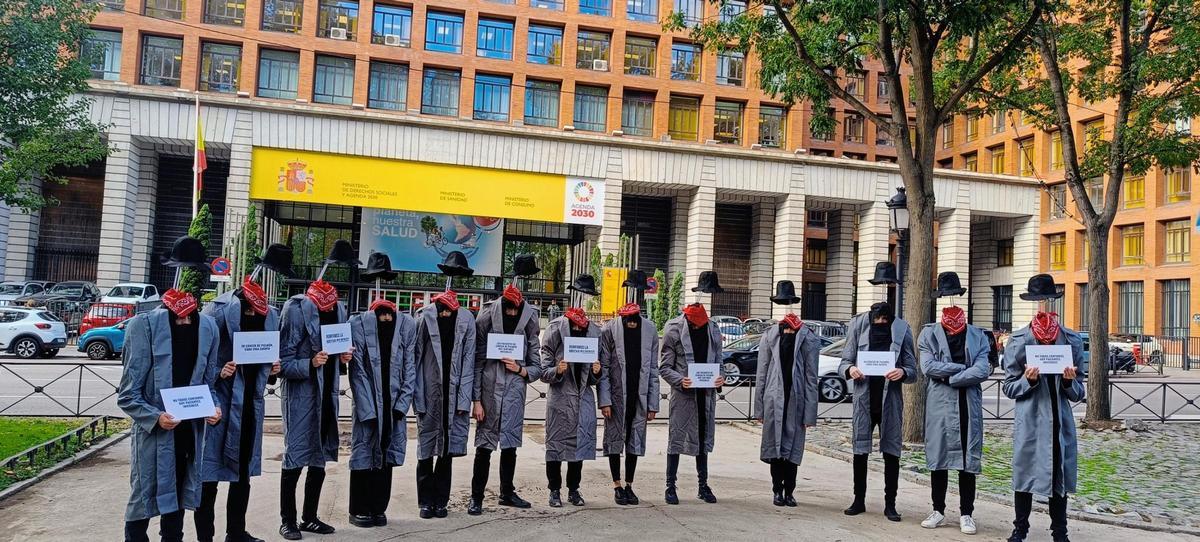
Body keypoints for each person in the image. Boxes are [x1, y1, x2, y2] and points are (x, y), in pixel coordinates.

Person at [118, 236, 222, 542]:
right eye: (187, 269)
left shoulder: (207, 327)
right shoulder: (144, 326)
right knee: (142, 502)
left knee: (177, 502)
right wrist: (155, 417)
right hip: (154, 435)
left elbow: (208, 383)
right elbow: (127, 395)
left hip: (189, 434)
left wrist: (214, 407)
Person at [195, 244, 293, 542]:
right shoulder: (219, 309)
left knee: (243, 474)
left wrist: (272, 369)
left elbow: (270, 354)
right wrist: (218, 372)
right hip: (220, 405)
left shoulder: (271, 313)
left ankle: (236, 532)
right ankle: (205, 537)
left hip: (251, 402)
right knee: (210, 475)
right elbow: (198, 361)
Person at [276, 240, 358, 540]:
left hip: (327, 395)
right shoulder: (296, 308)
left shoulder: (338, 306)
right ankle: (288, 520)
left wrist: (344, 357)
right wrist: (309, 363)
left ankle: (310, 517)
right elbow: (282, 362)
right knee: (295, 457)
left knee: (319, 458)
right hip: (301, 395)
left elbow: (338, 349)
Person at [1002, 274, 1085, 542]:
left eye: (1047, 300)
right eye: (1038, 300)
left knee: (1059, 475)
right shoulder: (1018, 340)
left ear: (1054, 301)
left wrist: (1069, 383)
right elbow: (1009, 387)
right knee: (1024, 474)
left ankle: (1060, 531)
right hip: (1030, 419)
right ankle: (1020, 529)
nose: (1043, 306)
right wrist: (1028, 380)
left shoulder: (1071, 340)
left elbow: (1079, 392)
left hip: (1060, 420)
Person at [838, 261, 917, 522]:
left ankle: (890, 504)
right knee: (860, 451)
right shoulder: (858, 324)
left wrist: (902, 372)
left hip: (890, 400)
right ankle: (858, 499)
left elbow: (912, 368)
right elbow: (845, 361)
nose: (881, 319)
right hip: (863, 397)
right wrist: (850, 371)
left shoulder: (902, 328)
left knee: (892, 452)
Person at [918, 272, 993, 535]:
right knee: (938, 457)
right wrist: (963, 369)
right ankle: (938, 509)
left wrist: (950, 377)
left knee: (967, 460)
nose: (950, 302)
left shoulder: (978, 335)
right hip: (940, 405)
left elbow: (984, 369)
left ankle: (966, 513)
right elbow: (928, 367)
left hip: (968, 404)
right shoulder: (928, 334)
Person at [469, 254, 543, 514]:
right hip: (489, 394)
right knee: (484, 447)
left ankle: (506, 492)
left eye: (515, 309)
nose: (512, 312)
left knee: (510, 446)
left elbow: (537, 367)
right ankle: (476, 496)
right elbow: (476, 361)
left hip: (514, 394)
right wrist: (476, 400)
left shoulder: (529, 321)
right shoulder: (488, 315)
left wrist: (520, 369)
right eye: (508, 308)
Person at [347, 252, 416, 528]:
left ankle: (378, 507)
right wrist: (367, 408)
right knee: (364, 453)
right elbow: (357, 371)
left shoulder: (406, 324)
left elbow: (410, 366)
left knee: (387, 454)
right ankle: (358, 508)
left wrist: (402, 405)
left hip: (393, 403)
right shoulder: (359, 324)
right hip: (369, 406)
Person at [414, 251, 476, 519]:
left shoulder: (466, 319)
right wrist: (418, 397)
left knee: (448, 449)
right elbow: (414, 359)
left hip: (454, 393)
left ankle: (442, 500)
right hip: (429, 391)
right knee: (427, 447)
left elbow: (470, 362)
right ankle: (425, 501)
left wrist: (465, 400)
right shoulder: (424, 316)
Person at [659, 271, 725, 505]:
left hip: (706, 395)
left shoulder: (713, 328)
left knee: (702, 440)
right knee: (676, 439)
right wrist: (679, 380)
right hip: (684, 394)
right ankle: (670, 485)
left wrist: (721, 378)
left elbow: (719, 361)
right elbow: (664, 366)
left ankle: (702, 485)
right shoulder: (674, 327)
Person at [755, 280, 820, 507]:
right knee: (775, 446)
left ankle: (790, 491)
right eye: (784, 302)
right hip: (773, 398)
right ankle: (776, 490)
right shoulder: (770, 334)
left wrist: (810, 413)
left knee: (792, 447)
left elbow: (812, 377)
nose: (787, 306)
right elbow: (761, 373)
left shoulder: (808, 336)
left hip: (797, 399)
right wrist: (759, 408)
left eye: (789, 301)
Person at [539, 274, 602, 508]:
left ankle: (574, 490)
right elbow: (542, 370)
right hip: (560, 398)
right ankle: (554, 490)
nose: (583, 300)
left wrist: (597, 371)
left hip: (583, 397)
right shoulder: (555, 329)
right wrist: (557, 369)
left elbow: (598, 376)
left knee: (580, 446)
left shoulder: (595, 331)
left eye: (587, 296)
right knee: (555, 447)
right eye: (581, 294)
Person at [598, 272, 660, 506]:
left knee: (635, 441)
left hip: (639, 397)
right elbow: (603, 368)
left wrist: (652, 404)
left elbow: (653, 370)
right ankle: (616, 485)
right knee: (614, 440)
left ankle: (630, 485)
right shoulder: (610, 330)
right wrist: (604, 401)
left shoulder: (650, 330)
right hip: (615, 397)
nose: (632, 322)